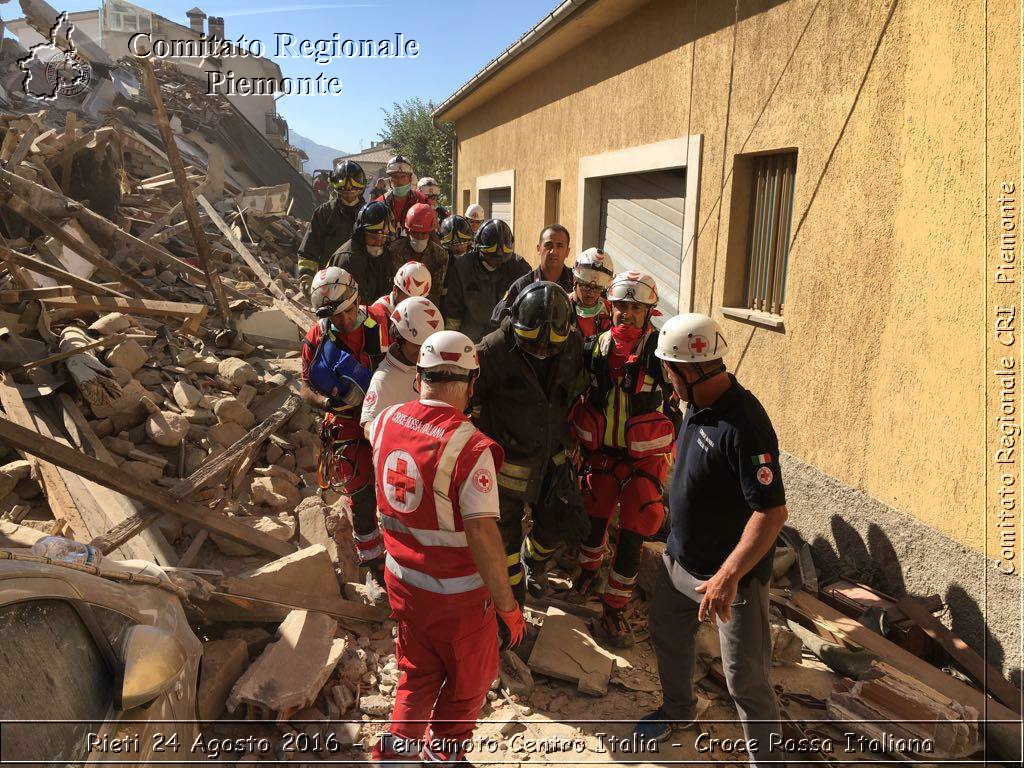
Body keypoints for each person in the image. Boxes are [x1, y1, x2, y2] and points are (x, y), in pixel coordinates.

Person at [634, 312, 787, 767]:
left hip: (729, 581)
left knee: (745, 681)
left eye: (669, 369)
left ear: (692, 370)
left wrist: (727, 576)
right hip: (680, 561)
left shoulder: (746, 426)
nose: (666, 378)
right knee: (667, 634)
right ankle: (679, 710)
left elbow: (772, 512)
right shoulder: (695, 403)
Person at [369, 330, 526, 766]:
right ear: (471, 384)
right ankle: (445, 759)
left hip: (402, 585)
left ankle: (395, 760)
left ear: (420, 376)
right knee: (465, 689)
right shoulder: (471, 447)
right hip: (457, 601)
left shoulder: (385, 421)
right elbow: (483, 535)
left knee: (416, 678)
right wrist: (508, 608)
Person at [569, 271, 677, 647]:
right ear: (608, 308)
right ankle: (587, 575)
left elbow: (681, 399)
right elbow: (574, 393)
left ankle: (614, 608)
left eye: (635, 308)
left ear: (649, 311)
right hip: (601, 453)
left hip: (643, 461)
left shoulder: (661, 351)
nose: (626, 315)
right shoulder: (594, 348)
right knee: (593, 520)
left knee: (637, 526)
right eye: (620, 307)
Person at [474, 282, 586, 605]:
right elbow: (469, 395)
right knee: (504, 543)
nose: (541, 352)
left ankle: (534, 561)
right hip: (505, 465)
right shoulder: (494, 349)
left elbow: (576, 390)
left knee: (561, 524)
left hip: (552, 459)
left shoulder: (573, 346)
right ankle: (511, 604)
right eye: (532, 345)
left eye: (549, 348)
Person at [300, 267, 387, 588]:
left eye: (347, 313)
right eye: (335, 318)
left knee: (394, 488)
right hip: (345, 425)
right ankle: (374, 565)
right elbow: (305, 388)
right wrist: (330, 403)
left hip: (386, 420)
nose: (343, 322)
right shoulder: (318, 337)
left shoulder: (381, 323)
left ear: (357, 299)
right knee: (361, 493)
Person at [360, 295, 443, 436]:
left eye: (429, 346)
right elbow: (368, 427)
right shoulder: (384, 379)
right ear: (400, 338)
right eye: (417, 346)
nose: (424, 352)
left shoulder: (430, 362)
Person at [442, 219, 530, 342]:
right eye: (492, 256)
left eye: (502, 257)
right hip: (470, 341)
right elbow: (453, 312)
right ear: (478, 247)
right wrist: (451, 341)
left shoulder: (519, 268)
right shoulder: (463, 268)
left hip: (506, 342)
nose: (498, 261)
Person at [297, 161, 366, 292]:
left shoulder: (369, 214)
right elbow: (309, 250)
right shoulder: (323, 213)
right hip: (329, 284)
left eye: (353, 191)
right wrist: (306, 275)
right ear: (336, 189)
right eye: (345, 191)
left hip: (362, 284)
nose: (350, 196)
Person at [491, 224, 574, 324]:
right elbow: (498, 320)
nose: (553, 251)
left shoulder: (577, 284)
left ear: (567, 252)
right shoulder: (522, 286)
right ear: (538, 249)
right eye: (548, 245)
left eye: (560, 246)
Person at [331, 201, 399, 307]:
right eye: (374, 237)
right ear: (360, 232)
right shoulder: (350, 259)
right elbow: (352, 307)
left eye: (383, 237)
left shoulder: (385, 255)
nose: (379, 242)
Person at [385, 203, 449, 308]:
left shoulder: (440, 256)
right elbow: (390, 286)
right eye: (415, 233)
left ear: (430, 232)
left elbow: (435, 291)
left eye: (423, 233)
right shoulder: (394, 251)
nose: (419, 237)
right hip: (396, 307)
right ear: (408, 231)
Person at [366, 261, 432, 347]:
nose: (411, 305)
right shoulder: (378, 312)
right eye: (407, 298)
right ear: (395, 290)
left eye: (416, 300)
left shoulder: (421, 309)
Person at [376, 155, 427, 236]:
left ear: (410, 179)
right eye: (395, 177)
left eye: (403, 177)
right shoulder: (379, 204)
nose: (399, 181)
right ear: (390, 179)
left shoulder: (422, 201)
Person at [570, 247, 614, 338]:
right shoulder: (562, 306)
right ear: (575, 281)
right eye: (585, 286)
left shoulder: (610, 311)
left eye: (598, 288)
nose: (591, 294)